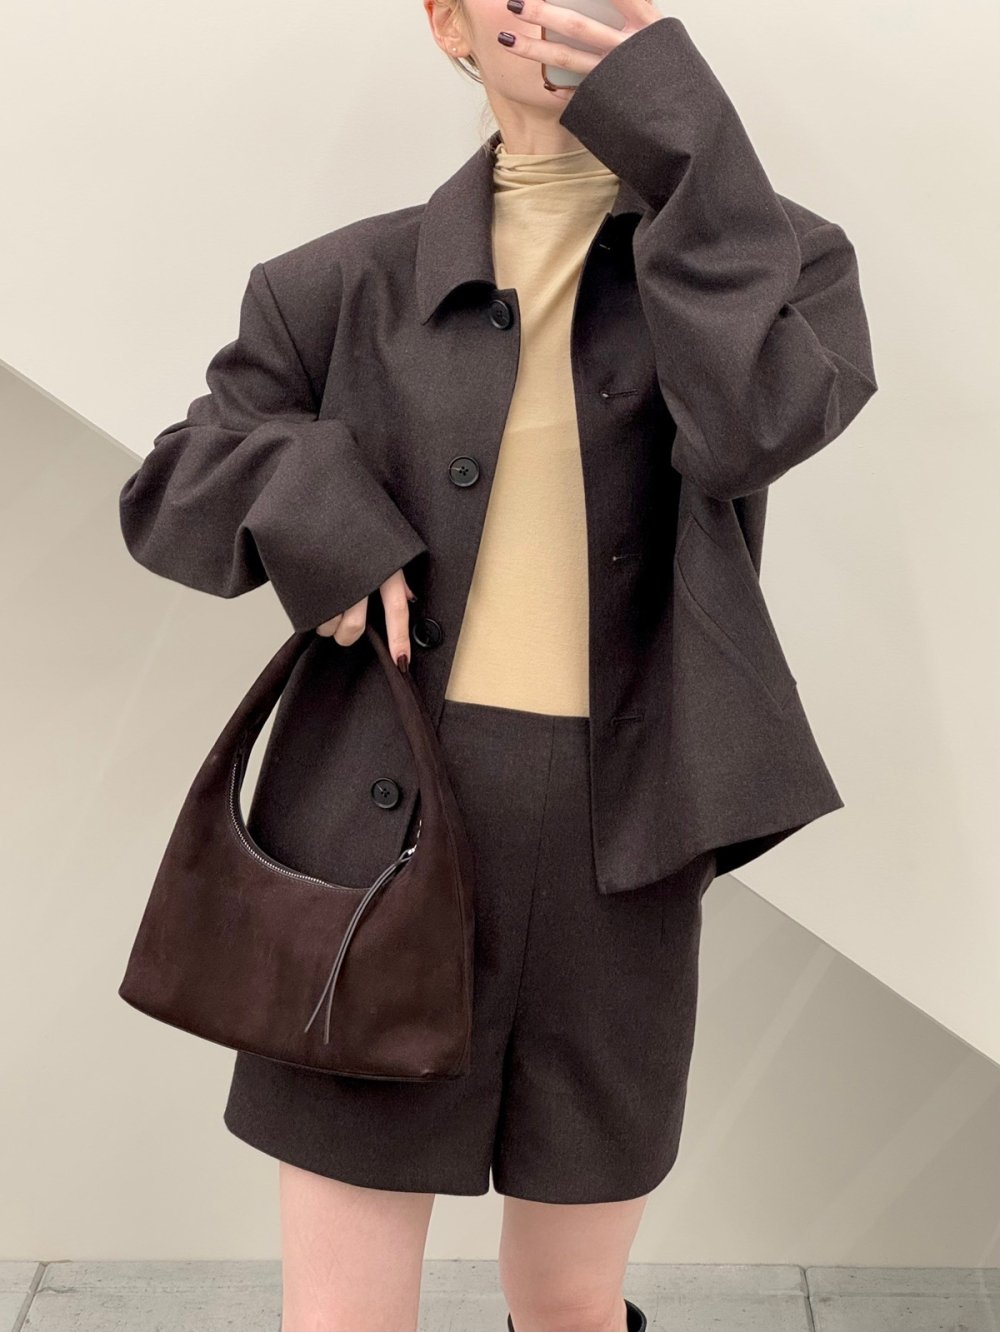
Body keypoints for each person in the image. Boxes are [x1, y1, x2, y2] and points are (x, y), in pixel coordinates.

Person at [118, 1, 877, 1329]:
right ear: (451, 25)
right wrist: (321, 509)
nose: (565, 13)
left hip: (621, 839)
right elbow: (172, 488)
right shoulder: (337, 283)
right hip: (373, 834)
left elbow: (753, 427)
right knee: (345, 1313)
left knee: (573, 1304)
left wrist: (683, 130)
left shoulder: (773, 265)